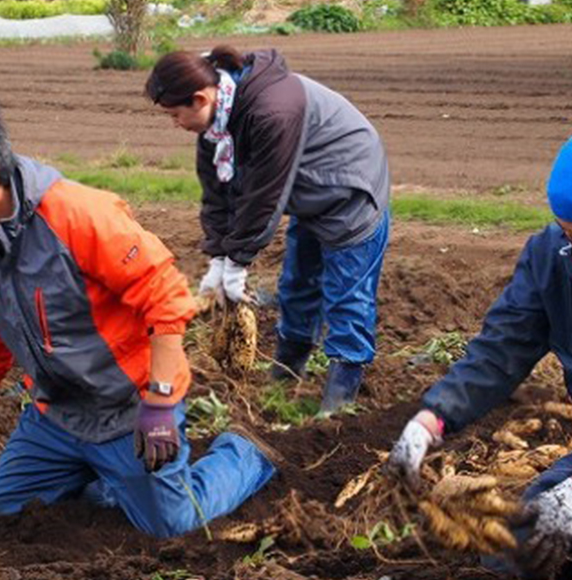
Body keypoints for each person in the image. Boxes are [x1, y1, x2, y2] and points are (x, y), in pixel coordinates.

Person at [0, 97, 277, 538]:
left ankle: (242, 455)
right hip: (56, 416)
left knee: (170, 524)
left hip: (129, 409)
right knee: (0, 514)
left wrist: (158, 403)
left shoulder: (80, 214)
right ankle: (110, 480)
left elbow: (167, 298)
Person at [388, 124, 572, 579]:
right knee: (507, 556)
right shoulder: (556, 253)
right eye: (568, 233)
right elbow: (500, 348)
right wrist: (430, 420)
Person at [145, 46, 391, 415]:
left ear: (199, 99)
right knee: (298, 285)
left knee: (346, 300)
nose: (175, 124)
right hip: (309, 192)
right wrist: (218, 259)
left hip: (349, 189)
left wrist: (238, 262)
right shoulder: (217, 123)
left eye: (175, 115)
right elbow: (218, 194)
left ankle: (339, 409)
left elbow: (263, 195)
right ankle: (285, 379)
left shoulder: (271, 111)